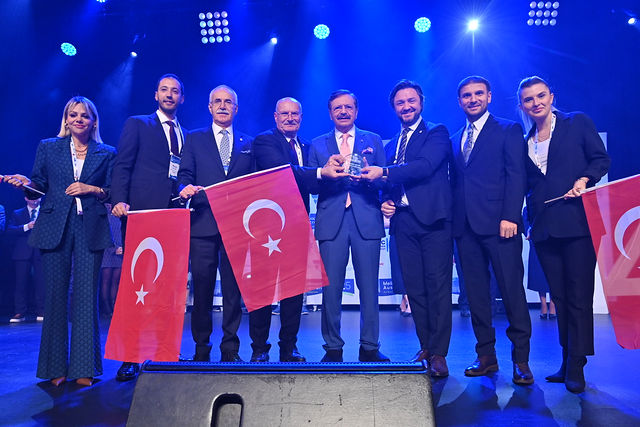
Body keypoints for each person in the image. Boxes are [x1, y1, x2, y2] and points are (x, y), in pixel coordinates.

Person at [3, 96, 116, 387]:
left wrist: (91, 188)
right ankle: (55, 367)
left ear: (93, 122)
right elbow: (38, 185)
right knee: (54, 297)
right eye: (73, 114)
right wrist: (25, 183)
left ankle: (84, 367)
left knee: (86, 298)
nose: (79, 119)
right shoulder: (48, 147)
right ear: (66, 119)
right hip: (55, 225)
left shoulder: (106, 152)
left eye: (85, 115)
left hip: (90, 226)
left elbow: (112, 190)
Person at [517, 76, 610, 393]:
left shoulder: (577, 122)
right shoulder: (526, 140)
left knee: (579, 296)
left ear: (551, 96)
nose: (536, 102)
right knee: (560, 297)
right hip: (544, 229)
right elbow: (529, 186)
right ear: (522, 106)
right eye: (529, 99)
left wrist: (584, 179)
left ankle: (577, 365)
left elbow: (600, 159)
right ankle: (567, 357)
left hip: (578, 224)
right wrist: (528, 222)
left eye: (541, 96)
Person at [360, 80, 453, 377]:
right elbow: (391, 182)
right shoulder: (391, 144)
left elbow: (424, 166)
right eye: (400, 102)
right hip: (403, 222)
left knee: (437, 288)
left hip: (434, 221)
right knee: (414, 289)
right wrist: (385, 200)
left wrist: (385, 172)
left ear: (421, 102)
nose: (406, 106)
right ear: (394, 108)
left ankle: (439, 353)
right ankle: (425, 345)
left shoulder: (436, 132)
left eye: (411, 100)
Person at [450, 76, 533, 385]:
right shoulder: (456, 137)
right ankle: (486, 355)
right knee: (475, 296)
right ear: (460, 101)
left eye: (478, 94)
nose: (472, 99)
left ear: (489, 97)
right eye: (466, 95)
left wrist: (511, 215)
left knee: (511, 292)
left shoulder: (508, 129)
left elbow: (516, 175)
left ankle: (521, 360)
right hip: (465, 229)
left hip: (501, 226)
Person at [251, 97, 347, 362]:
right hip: (266, 228)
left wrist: (336, 170)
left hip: (296, 226)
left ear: (301, 118)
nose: (290, 118)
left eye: (295, 114)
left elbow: (313, 184)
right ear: (275, 116)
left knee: (293, 293)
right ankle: (259, 348)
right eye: (284, 114)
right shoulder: (265, 141)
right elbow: (282, 172)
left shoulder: (306, 146)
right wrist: (320, 172)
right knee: (263, 291)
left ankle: (288, 347)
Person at [110, 73, 187, 381]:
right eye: (164, 90)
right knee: (137, 288)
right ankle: (130, 356)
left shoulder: (184, 133)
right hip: (141, 216)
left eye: (175, 91)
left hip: (173, 218)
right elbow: (122, 164)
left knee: (167, 288)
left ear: (182, 98)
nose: (169, 95)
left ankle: (164, 352)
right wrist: (119, 199)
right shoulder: (138, 124)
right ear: (156, 95)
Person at [309, 89, 389, 363]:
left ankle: (370, 346)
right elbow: (312, 185)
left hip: (366, 219)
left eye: (348, 107)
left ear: (356, 110)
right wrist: (325, 173)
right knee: (331, 290)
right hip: (332, 221)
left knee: (369, 287)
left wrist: (370, 178)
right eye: (337, 108)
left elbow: (384, 180)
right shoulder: (317, 144)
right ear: (330, 113)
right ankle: (332, 347)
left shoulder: (373, 140)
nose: (343, 112)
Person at [178, 85, 253, 363]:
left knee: (233, 293)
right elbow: (184, 175)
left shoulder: (249, 143)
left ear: (236, 108)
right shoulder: (194, 138)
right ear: (209, 107)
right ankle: (201, 347)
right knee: (202, 290)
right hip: (203, 225)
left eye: (228, 102)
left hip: (237, 227)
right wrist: (184, 188)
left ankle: (230, 348)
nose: (223, 106)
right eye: (217, 101)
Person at [7, 197, 45, 323]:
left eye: (36, 196)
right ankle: (20, 311)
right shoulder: (17, 213)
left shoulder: (46, 211)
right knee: (20, 283)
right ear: (25, 198)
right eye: (30, 196)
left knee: (41, 282)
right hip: (22, 252)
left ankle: (41, 310)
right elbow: (10, 230)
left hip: (41, 252)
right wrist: (27, 226)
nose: (34, 199)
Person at [523, 205, 555, 319]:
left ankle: (553, 305)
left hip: (553, 240)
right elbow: (525, 222)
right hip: (537, 241)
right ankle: (543, 304)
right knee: (539, 275)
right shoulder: (528, 208)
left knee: (554, 274)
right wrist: (530, 231)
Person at [100, 203, 123, 317]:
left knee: (115, 281)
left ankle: (114, 306)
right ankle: (106, 306)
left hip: (120, 251)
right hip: (107, 251)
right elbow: (103, 234)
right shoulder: (104, 215)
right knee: (106, 280)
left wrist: (123, 247)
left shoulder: (120, 215)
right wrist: (113, 249)